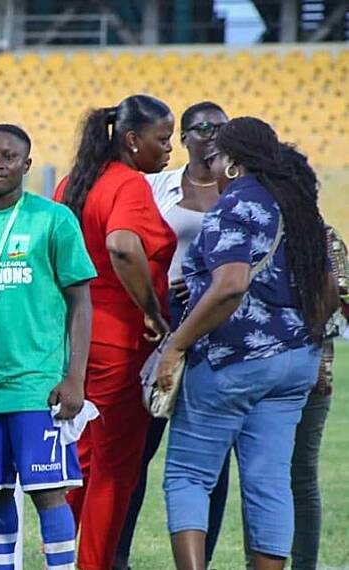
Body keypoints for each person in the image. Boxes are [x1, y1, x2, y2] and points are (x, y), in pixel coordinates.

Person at [157, 118, 336, 570]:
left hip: (231, 360)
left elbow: (231, 285)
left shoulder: (233, 205)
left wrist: (176, 346)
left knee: (189, 475)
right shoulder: (300, 207)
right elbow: (330, 288)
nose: (213, 169)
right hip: (295, 362)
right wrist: (300, 334)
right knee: (270, 482)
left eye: (216, 159)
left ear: (233, 162)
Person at [0, 124, 96, 570]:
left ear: (26, 164)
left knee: (48, 493)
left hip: (37, 386)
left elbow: (81, 302)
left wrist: (74, 377)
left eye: (8, 156)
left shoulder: (54, 219)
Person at [53, 94, 177, 570]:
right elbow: (123, 245)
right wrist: (152, 311)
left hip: (74, 339)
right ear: (131, 140)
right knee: (115, 468)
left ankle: (61, 559)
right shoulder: (128, 184)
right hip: (119, 340)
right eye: (162, 139)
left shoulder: (72, 183)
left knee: (81, 460)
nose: (169, 148)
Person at [115, 101, 230, 570]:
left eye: (220, 126)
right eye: (201, 127)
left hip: (217, 333)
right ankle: (117, 554)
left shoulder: (240, 191)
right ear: (182, 138)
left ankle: (203, 559)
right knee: (138, 450)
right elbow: (132, 243)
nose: (211, 134)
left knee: (210, 459)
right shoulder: (155, 185)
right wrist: (158, 286)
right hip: (159, 327)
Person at [281, 224, 349, 570]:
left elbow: (341, 299)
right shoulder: (324, 235)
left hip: (306, 375)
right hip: (310, 371)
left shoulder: (323, 236)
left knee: (278, 477)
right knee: (289, 476)